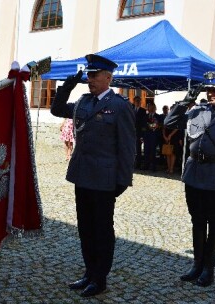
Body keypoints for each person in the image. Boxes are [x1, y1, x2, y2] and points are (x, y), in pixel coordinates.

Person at [50, 54, 135, 297]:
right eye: (88, 75)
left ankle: (100, 278)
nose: (90, 79)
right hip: (82, 175)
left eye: (95, 75)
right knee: (85, 228)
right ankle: (88, 273)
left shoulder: (120, 106)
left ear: (108, 77)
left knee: (102, 229)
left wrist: (122, 181)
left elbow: (127, 147)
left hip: (105, 180)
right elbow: (57, 109)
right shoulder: (83, 102)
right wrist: (67, 85)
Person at [164, 71, 215, 287]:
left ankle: (209, 268)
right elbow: (170, 121)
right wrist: (187, 100)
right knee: (197, 220)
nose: (210, 93)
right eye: (208, 90)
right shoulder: (198, 110)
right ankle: (197, 264)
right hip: (194, 173)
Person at [143, 102, 161, 171]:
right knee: (146, 151)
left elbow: (160, 125)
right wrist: (148, 127)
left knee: (153, 152)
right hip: (146, 136)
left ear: (154, 108)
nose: (150, 108)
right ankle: (146, 166)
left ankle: (153, 167)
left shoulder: (158, 116)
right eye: (149, 107)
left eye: (152, 107)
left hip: (154, 136)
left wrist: (154, 126)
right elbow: (143, 126)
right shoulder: (145, 116)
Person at [132, 95, 147, 170]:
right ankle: (131, 163)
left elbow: (144, 123)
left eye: (139, 101)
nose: (138, 102)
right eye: (136, 101)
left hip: (138, 133)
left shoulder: (143, 111)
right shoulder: (131, 109)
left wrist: (142, 135)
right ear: (134, 101)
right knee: (131, 149)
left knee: (138, 149)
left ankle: (138, 164)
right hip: (130, 132)